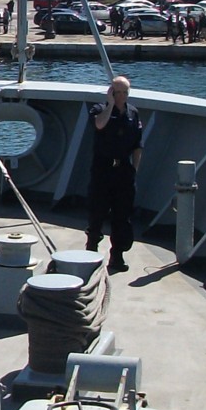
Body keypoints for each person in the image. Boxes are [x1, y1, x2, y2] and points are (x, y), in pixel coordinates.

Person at [86, 75, 145, 273]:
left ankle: (117, 256)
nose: (121, 96)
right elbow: (99, 125)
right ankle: (91, 251)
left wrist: (134, 169)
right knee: (98, 211)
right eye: (117, 92)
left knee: (122, 214)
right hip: (103, 169)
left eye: (124, 93)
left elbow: (137, 145)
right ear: (110, 92)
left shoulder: (133, 113)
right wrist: (110, 105)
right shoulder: (99, 110)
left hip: (123, 170)